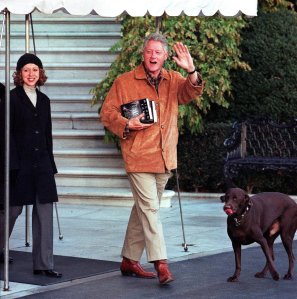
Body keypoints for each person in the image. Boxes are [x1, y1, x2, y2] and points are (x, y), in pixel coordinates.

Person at [100, 32, 204, 285]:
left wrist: (191, 70)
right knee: (150, 209)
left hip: (165, 157)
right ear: (143, 55)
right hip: (138, 157)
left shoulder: (174, 79)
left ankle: (129, 260)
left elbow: (192, 92)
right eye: (149, 51)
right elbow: (107, 113)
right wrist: (127, 123)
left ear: (166, 56)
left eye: (158, 52)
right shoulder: (125, 82)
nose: (153, 56)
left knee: (143, 209)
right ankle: (161, 263)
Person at [0, 53, 62, 278]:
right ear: (19, 74)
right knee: (11, 211)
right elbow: (6, 134)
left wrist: (51, 165)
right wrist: (11, 166)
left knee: (44, 214)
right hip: (19, 165)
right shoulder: (11, 98)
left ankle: (44, 264)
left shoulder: (44, 100)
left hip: (42, 165)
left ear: (40, 73)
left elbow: (47, 135)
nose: (31, 74)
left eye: (35, 70)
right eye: (26, 70)